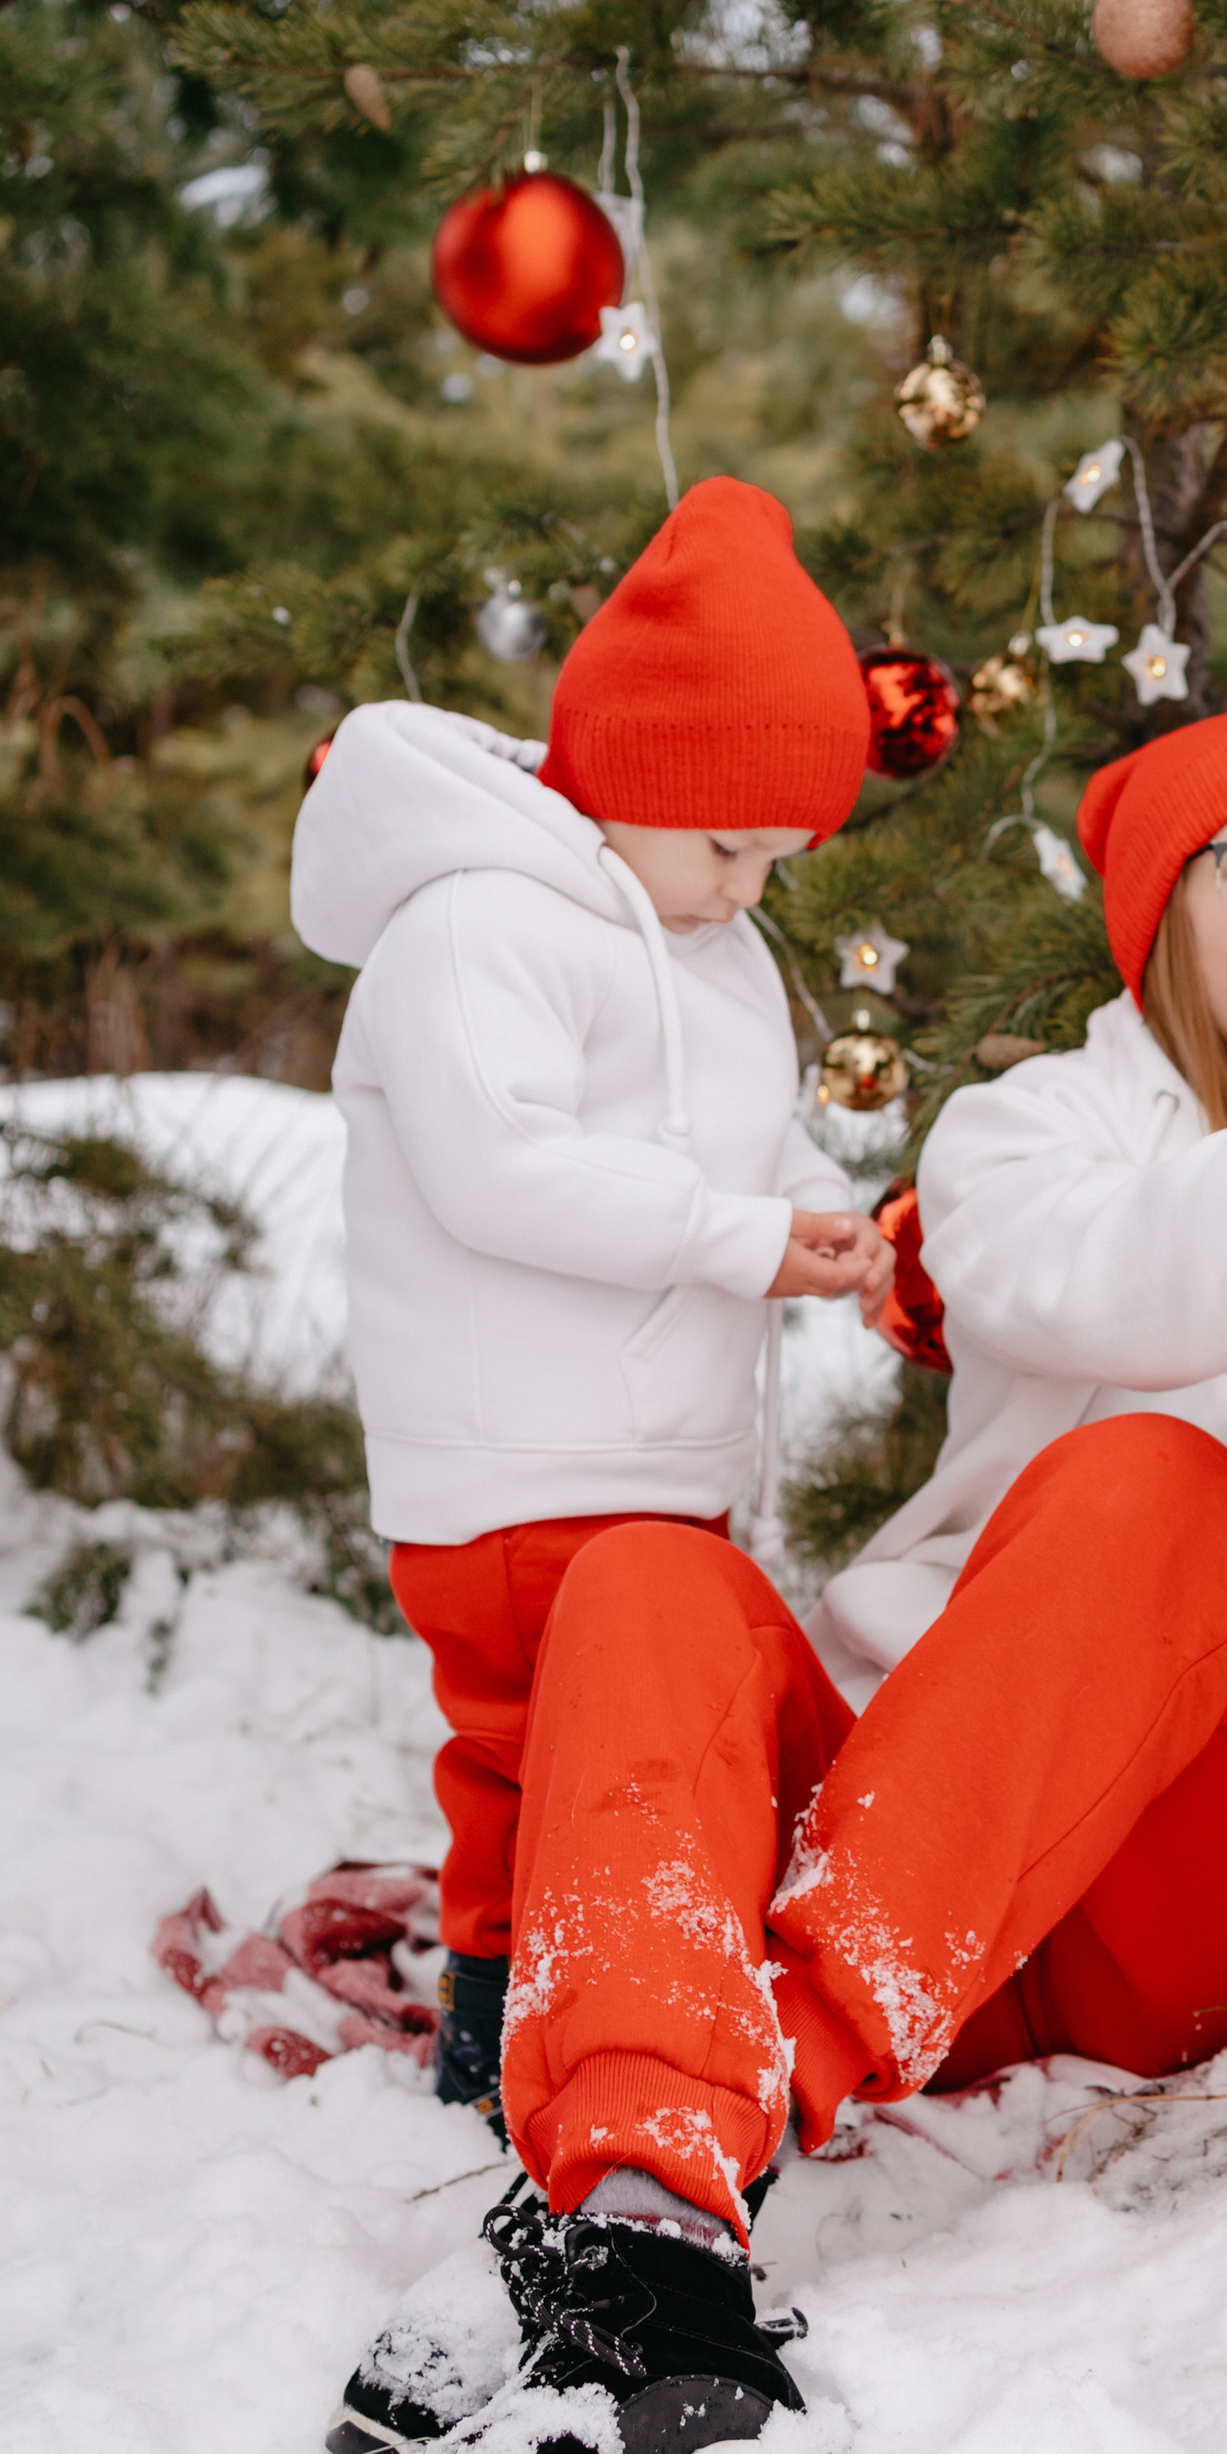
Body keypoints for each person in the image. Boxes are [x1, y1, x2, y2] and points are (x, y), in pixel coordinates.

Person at [325, 703, 1227, 2454]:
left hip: (1211, 1898)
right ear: (1159, 913)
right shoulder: (1026, 1135)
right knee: (645, 1580)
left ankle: (685, 2137)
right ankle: (645, 2252)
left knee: (1149, 1491)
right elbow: (1121, 1285)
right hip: (919, 1847)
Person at [291, 475, 895, 2132]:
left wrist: (817, 1211)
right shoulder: (477, 927)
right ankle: (500, 2021)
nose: (749, 891)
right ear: (633, 780)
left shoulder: (711, 943)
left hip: (661, 1454)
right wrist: (738, 1237)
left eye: (781, 862)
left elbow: (745, 1134)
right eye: (729, 848)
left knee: (626, 1753)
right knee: (524, 1760)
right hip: (514, 1459)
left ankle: (618, 1988)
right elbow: (500, 1168)